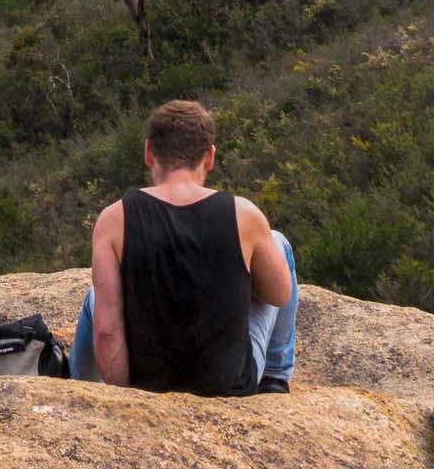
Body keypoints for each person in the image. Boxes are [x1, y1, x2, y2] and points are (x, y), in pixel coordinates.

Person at [68, 99, 297, 395]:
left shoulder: (114, 219)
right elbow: (278, 295)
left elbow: (107, 332)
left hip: (147, 386)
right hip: (231, 388)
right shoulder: (245, 215)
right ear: (210, 157)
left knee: (96, 295)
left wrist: (126, 398)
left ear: (149, 152)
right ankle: (275, 377)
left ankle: (78, 383)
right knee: (277, 243)